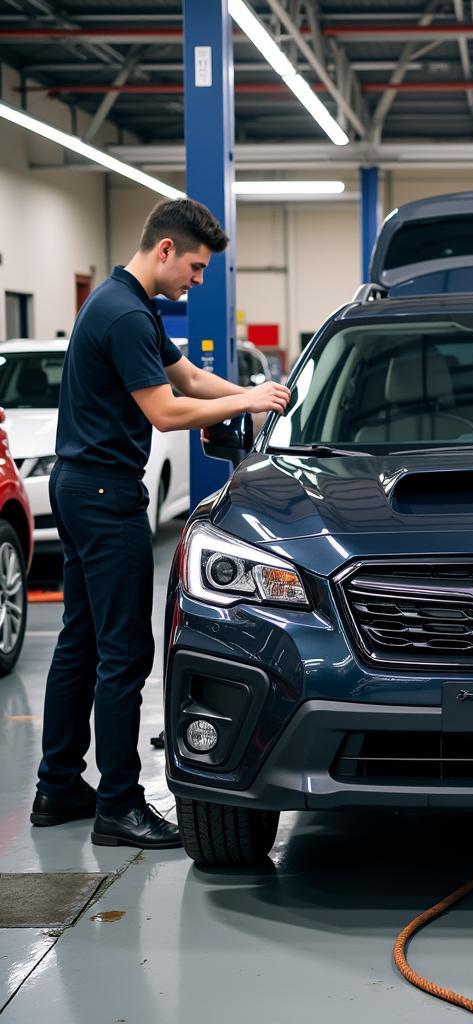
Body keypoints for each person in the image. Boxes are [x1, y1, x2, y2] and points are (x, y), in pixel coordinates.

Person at [30, 198, 291, 847]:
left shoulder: (129, 305)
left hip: (80, 484)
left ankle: (57, 785)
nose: (198, 282)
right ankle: (119, 805)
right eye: (197, 268)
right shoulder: (122, 313)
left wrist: (261, 397)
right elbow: (167, 412)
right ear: (166, 249)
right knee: (124, 654)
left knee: (81, 642)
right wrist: (250, 399)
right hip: (102, 491)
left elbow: (191, 378)